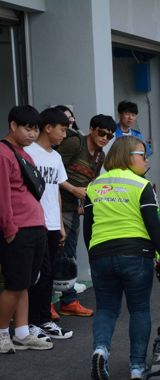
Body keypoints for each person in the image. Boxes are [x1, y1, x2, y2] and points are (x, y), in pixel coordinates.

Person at [83, 136, 160, 380]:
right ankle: (137, 367)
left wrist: (94, 255)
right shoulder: (140, 185)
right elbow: (153, 225)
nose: (146, 160)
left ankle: (101, 349)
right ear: (127, 156)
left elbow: (88, 228)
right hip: (135, 254)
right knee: (139, 309)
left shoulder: (94, 185)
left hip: (101, 254)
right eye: (142, 154)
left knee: (105, 308)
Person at [0, 105, 51, 353]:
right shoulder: (3, 153)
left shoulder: (24, 154)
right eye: (27, 128)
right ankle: (1, 334)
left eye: (35, 129)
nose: (32, 134)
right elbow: (3, 196)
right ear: (13, 126)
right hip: (18, 228)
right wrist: (9, 229)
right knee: (15, 284)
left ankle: (21, 332)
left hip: (35, 226)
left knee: (26, 283)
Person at [56, 113, 115, 317]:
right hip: (57, 205)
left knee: (68, 254)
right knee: (54, 254)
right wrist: (73, 190)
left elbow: (92, 182)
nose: (105, 139)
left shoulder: (101, 156)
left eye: (110, 136)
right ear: (91, 129)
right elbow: (52, 172)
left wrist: (85, 202)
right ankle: (50, 302)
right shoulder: (74, 143)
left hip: (73, 208)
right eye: (101, 133)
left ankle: (68, 300)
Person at [23, 108, 73, 340]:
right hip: (34, 223)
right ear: (48, 127)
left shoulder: (56, 157)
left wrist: (61, 224)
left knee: (48, 274)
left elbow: (57, 190)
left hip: (53, 224)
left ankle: (43, 320)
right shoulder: (27, 152)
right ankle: (33, 322)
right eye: (62, 129)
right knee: (37, 276)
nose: (64, 134)